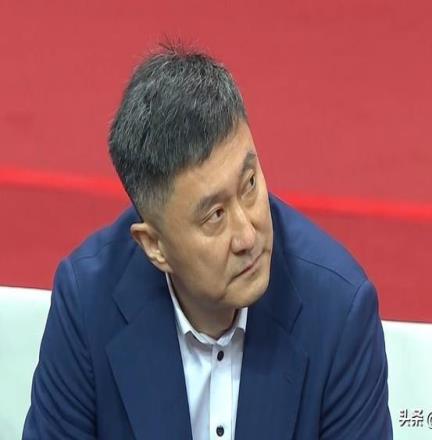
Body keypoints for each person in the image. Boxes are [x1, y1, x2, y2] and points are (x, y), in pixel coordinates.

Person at [23, 42, 392, 439]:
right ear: (155, 246)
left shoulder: (338, 310)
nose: (248, 235)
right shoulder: (88, 303)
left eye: (249, 185)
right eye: (215, 215)